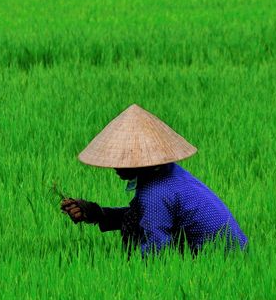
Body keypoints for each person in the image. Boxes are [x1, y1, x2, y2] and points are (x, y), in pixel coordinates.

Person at [60, 104, 247, 256]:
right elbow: (145, 214)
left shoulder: (155, 192)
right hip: (234, 253)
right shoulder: (169, 172)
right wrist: (97, 213)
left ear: (140, 161)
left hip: (221, 260)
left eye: (124, 161)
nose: (116, 167)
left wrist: (130, 278)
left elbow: (156, 248)